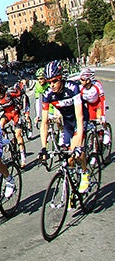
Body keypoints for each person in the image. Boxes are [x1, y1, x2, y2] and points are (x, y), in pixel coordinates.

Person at [38, 61, 89, 192]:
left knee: (76, 151)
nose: (51, 85)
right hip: (67, 122)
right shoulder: (47, 94)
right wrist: (44, 147)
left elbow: (79, 117)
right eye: (49, 82)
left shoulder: (72, 88)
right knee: (68, 157)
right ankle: (72, 184)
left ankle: (85, 172)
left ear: (61, 78)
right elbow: (44, 122)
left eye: (54, 81)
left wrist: (78, 143)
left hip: (80, 118)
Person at [0, 81, 27, 166]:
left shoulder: (9, 93)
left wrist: (21, 106)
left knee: (18, 135)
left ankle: (23, 157)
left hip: (16, 113)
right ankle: (6, 141)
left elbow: (21, 94)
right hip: (7, 114)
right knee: (0, 126)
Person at [79, 68, 107, 147]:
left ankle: (106, 131)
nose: (80, 81)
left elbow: (102, 100)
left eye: (82, 79)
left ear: (88, 80)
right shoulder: (81, 88)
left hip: (98, 105)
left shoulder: (97, 85)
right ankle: (93, 139)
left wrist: (103, 115)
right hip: (90, 106)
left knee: (101, 120)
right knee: (91, 124)